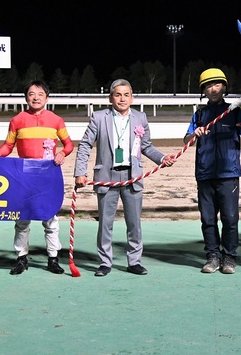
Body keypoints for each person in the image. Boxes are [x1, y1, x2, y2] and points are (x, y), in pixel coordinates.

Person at [74, 79, 175, 277]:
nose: (122, 99)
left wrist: (162, 158)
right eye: (118, 95)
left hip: (132, 177)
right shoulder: (98, 117)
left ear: (132, 97)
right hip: (106, 177)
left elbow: (146, 146)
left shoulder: (140, 118)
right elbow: (85, 144)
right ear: (110, 98)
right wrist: (80, 172)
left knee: (134, 222)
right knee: (105, 223)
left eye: (126, 95)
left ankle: (134, 261)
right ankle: (105, 262)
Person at [0, 80, 74, 275]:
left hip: (48, 176)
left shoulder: (56, 120)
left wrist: (62, 154)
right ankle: (21, 258)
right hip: (24, 176)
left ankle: (53, 258)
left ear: (47, 98)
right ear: (26, 97)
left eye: (40, 94)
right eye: (32, 94)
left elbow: (69, 144)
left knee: (50, 218)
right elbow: (8, 146)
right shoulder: (17, 120)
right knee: (22, 219)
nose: (36, 98)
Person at [183, 69, 241, 274]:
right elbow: (186, 140)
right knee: (207, 219)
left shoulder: (234, 112)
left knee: (230, 219)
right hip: (205, 174)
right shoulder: (199, 115)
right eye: (208, 86)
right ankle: (213, 256)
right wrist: (194, 134)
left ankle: (229, 257)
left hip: (228, 174)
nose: (213, 89)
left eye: (217, 85)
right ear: (203, 90)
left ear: (224, 87)